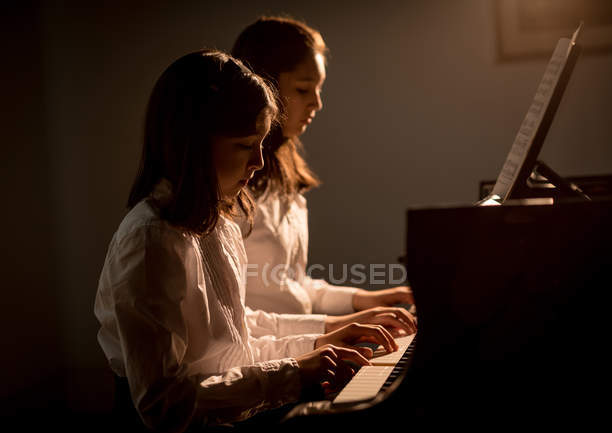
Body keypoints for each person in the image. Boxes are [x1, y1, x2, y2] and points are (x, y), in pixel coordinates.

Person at [94, 50, 399, 432]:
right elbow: (163, 404)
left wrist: (318, 344)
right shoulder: (151, 240)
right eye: (243, 146)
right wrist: (293, 372)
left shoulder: (216, 222)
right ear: (194, 144)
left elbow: (233, 342)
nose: (257, 161)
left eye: (260, 143)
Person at [231, 17, 416, 329]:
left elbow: (292, 287)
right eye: (304, 89)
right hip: (270, 354)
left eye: (318, 89)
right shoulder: (230, 184)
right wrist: (332, 328)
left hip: (296, 344)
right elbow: (231, 322)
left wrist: (361, 300)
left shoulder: (284, 175)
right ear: (265, 86)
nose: (316, 103)